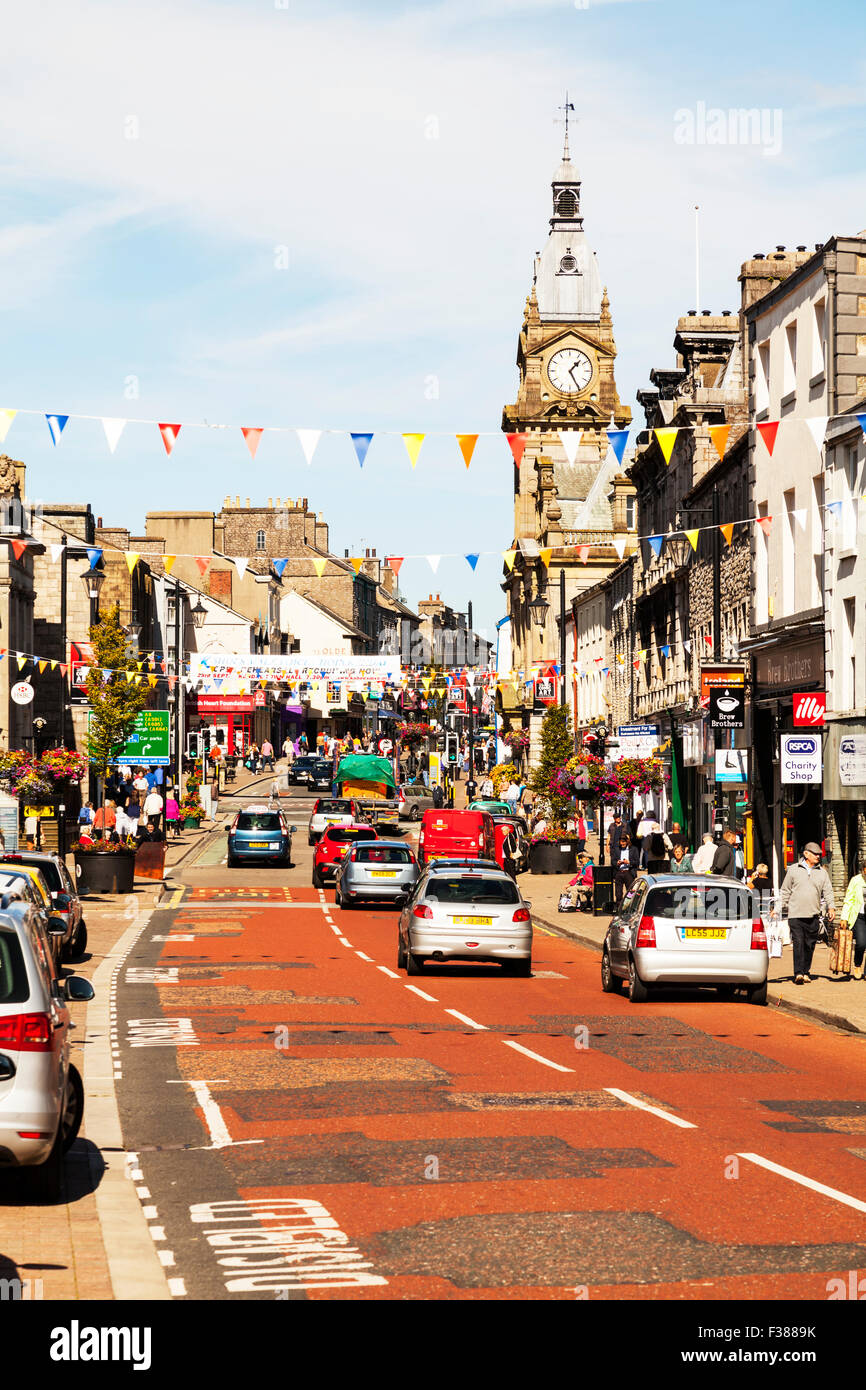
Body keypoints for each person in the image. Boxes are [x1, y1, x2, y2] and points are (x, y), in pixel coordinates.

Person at [780, 841, 835, 985]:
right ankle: (798, 973)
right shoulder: (793, 869)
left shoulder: (822, 873)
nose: (818, 856)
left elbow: (828, 891)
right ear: (806, 854)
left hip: (813, 914)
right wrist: (778, 908)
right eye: (815, 854)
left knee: (809, 945)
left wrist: (831, 908)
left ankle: (805, 971)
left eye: (819, 854)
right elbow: (785, 890)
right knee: (798, 942)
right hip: (796, 914)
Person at [839, 857, 866, 981]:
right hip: (859, 917)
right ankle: (857, 964)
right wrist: (844, 917)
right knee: (861, 943)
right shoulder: (856, 881)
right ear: (863, 870)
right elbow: (849, 900)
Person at [614, 834, 641, 907]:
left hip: (629, 872)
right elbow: (613, 861)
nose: (622, 844)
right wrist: (617, 863)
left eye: (623, 842)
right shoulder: (617, 849)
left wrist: (629, 862)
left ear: (627, 842)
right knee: (618, 893)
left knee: (630, 891)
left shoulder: (633, 849)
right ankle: (619, 906)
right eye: (621, 842)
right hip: (619, 872)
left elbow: (637, 862)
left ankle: (629, 906)